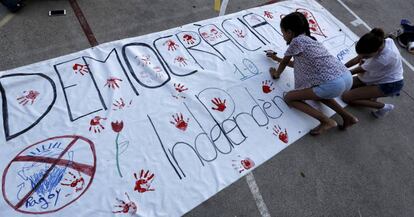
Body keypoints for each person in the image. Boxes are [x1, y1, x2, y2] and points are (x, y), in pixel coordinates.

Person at [266, 12, 358, 135]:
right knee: (318, 93)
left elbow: (284, 63)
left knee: (289, 98)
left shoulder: (296, 42)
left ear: (289, 32)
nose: (283, 36)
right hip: (346, 77)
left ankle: (326, 121)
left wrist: (276, 74)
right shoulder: (310, 40)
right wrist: (276, 59)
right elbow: (297, 64)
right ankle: (348, 117)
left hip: (332, 84)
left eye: (283, 32)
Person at [342, 28, 404, 118]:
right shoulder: (380, 42)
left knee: (346, 97)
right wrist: (342, 67)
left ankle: (384, 107)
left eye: (366, 56)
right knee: (345, 84)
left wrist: (340, 73)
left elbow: (359, 69)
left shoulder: (383, 59)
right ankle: (371, 96)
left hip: (390, 84)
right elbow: (358, 58)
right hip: (379, 75)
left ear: (377, 50)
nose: (363, 57)